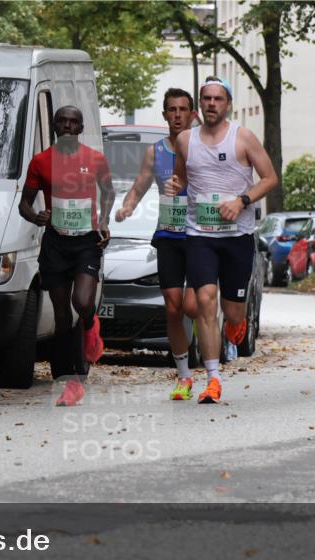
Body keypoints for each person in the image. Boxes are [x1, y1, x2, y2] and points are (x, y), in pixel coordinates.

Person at [164, 76, 278, 404]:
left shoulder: (243, 138)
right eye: (206, 98)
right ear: (200, 104)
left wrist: (241, 201)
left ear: (228, 104)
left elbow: (270, 178)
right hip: (199, 235)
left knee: (233, 313)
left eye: (218, 99)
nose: (211, 104)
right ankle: (213, 379)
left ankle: (235, 326)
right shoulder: (185, 140)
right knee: (204, 301)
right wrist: (177, 184)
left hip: (237, 237)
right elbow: (184, 175)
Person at [19, 106, 115, 407]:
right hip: (56, 243)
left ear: (81, 127)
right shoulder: (41, 162)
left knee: (82, 302)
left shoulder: (95, 159)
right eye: (62, 121)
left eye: (73, 122)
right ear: (55, 127)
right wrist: (38, 217)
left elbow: (108, 192)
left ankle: (89, 325)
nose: (67, 126)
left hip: (87, 241)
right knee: (61, 317)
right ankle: (68, 382)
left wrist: (103, 220)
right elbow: (24, 204)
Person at [114, 88, 200, 400]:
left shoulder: (203, 148)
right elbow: (138, 187)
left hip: (198, 236)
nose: (177, 115)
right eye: (172, 110)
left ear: (192, 114)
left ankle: (209, 345)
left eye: (183, 110)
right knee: (173, 308)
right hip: (167, 236)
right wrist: (127, 207)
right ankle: (184, 376)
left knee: (192, 305)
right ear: (164, 114)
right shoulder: (155, 151)